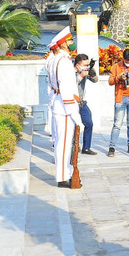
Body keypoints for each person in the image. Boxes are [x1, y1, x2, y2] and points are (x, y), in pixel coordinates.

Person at [46, 27, 82, 188]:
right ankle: (63, 176)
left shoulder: (56, 59)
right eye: (70, 40)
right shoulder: (65, 62)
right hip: (65, 108)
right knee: (65, 144)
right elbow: (66, 89)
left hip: (58, 104)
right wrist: (74, 113)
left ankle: (63, 174)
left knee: (62, 143)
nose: (73, 42)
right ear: (63, 44)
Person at [74, 53, 98, 155]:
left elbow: (95, 80)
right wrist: (80, 76)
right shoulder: (70, 71)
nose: (86, 67)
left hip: (82, 102)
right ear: (77, 65)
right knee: (73, 126)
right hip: (72, 102)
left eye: (88, 64)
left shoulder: (85, 71)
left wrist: (92, 72)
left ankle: (86, 148)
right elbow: (70, 84)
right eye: (85, 65)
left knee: (89, 123)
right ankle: (73, 147)